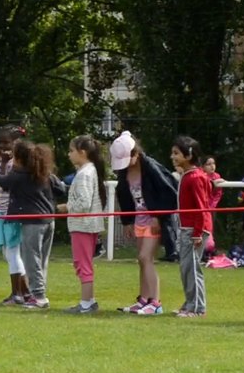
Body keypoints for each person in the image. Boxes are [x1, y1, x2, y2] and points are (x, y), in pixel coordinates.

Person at [0, 140, 67, 310]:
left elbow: (0, 181)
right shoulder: (44, 173)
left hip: (32, 224)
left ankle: (38, 297)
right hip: (49, 221)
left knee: (31, 260)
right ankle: (39, 294)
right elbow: (61, 189)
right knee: (42, 260)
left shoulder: (19, 176)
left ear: (19, 159)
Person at [111, 131, 178, 315]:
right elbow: (124, 196)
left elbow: (169, 191)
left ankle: (155, 303)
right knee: (141, 261)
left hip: (153, 221)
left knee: (145, 257)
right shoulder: (124, 173)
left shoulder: (151, 168)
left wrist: (158, 216)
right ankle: (143, 300)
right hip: (139, 220)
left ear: (136, 154)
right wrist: (127, 221)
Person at [60, 135, 104, 314]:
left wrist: (67, 207)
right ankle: (88, 300)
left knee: (83, 264)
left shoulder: (85, 173)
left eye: (71, 151)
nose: (69, 154)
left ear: (82, 152)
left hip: (83, 225)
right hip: (85, 225)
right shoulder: (88, 170)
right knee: (82, 263)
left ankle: (86, 303)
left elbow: (84, 203)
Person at [0, 125, 30, 305]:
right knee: (7, 253)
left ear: (17, 144)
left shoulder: (16, 164)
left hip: (11, 212)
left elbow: (6, 183)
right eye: (0, 143)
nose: (3, 146)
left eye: (7, 143)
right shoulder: (1, 161)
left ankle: (17, 294)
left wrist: (3, 163)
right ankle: (26, 292)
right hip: (0, 210)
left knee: (13, 253)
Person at [171, 136, 211, 317]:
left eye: (176, 153)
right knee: (186, 268)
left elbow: (201, 207)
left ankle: (197, 308)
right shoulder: (187, 176)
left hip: (194, 230)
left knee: (193, 268)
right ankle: (189, 303)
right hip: (187, 228)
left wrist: (197, 233)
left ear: (189, 155)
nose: (173, 157)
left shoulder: (195, 177)